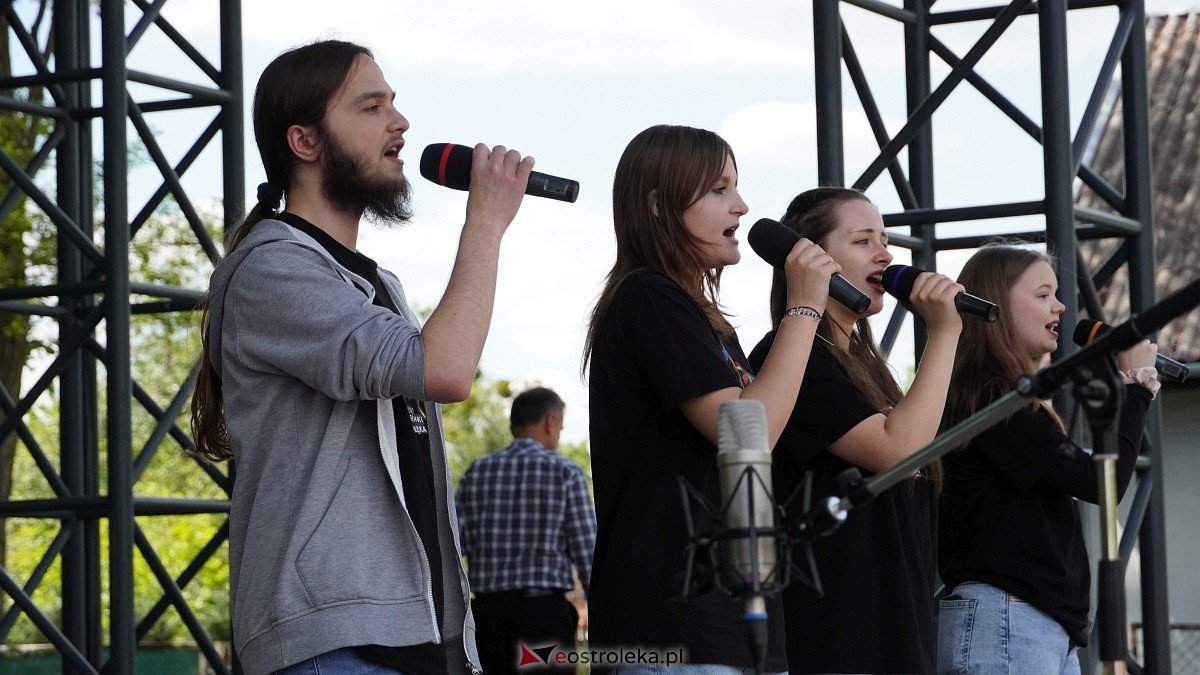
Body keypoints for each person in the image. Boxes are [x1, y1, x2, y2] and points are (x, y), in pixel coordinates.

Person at [189, 39, 534, 675]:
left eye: (393, 105)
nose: (399, 123)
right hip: (333, 638)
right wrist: (484, 222)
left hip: (413, 634)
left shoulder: (375, 282)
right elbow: (446, 370)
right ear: (305, 142)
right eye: (371, 107)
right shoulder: (274, 267)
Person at [583, 124, 841, 674]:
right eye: (719, 190)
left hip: (730, 624)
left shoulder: (701, 318)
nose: (742, 207)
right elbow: (751, 434)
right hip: (673, 628)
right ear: (658, 204)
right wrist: (803, 308)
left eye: (737, 187)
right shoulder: (649, 297)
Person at [747, 186, 964, 674]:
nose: (885, 255)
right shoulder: (794, 358)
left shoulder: (863, 363)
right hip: (839, 636)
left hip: (896, 631)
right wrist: (946, 332)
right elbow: (899, 450)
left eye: (884, 240)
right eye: (863, 241)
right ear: (812, 258)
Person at [936, 244, 1158, 675]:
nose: (1059, 306)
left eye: (1056, 294)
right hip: (1006, 617)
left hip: (1034, 623)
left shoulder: (1009, 398)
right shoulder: (989, 397)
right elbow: (1100, 482)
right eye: (1042, 295)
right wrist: (1134, 389)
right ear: (996, 304)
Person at [456, 386, 598, 674]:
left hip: (487, 617)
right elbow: (587, 552)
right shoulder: (565, 472)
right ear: (551, 421)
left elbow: (456, 544)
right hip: (543, 618)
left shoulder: (477, 472)